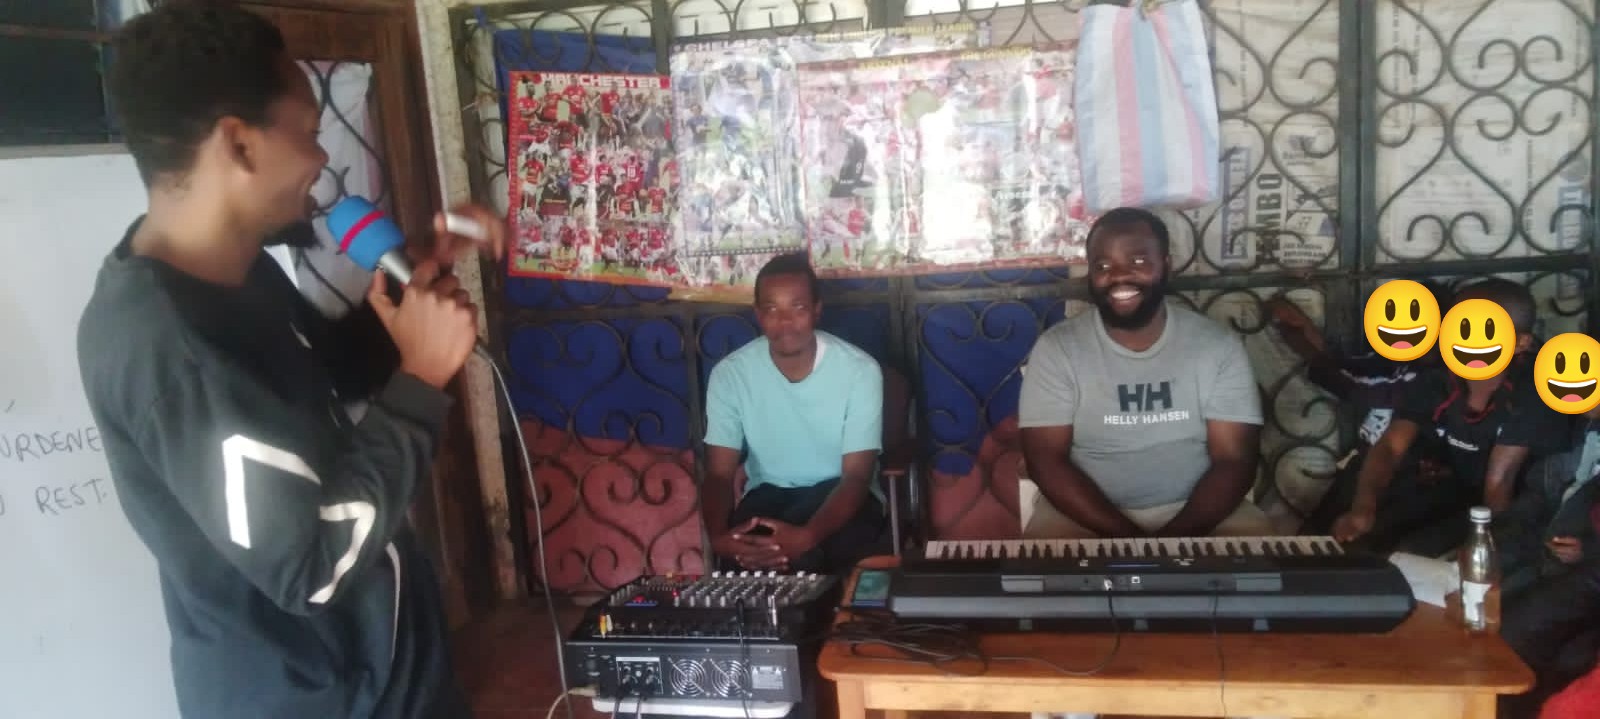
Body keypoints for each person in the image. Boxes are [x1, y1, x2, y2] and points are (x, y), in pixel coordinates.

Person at [77, 2, 504, 716]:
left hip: (388, 674)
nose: (321, 158)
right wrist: (421, 381)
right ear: (239, 144)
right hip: (319, 700)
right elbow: (310, 567)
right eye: (307, 132)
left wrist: (413, 285)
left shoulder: (239, 271)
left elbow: (331, 377)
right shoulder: (167, 347)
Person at [1018, 207, 1270, 539]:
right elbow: (1046, 462)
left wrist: (1172, 542)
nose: (1119, 276)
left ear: (1166, 265)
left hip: (1202, 512)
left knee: (1264, 566)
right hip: (1083, 514)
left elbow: (1235, 460)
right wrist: (1134, 544)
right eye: (1102, 266)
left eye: (1138, 261)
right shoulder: (1058, 350)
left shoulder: (1217, 346)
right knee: (1041, 569)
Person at [1332, 279, 1572, 556]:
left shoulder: (1531, 391)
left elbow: (1500, 484)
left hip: (1524, 511)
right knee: (1360, 536)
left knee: (1412, 552)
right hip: (1462, 493)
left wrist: (1485, 556)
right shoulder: (1438, 380)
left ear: (1520, 343)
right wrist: (1363, 509)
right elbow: (1390, 447)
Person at [702, 253, 887, 574]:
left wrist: (807, 537)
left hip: (840, 493)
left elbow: (857, 477)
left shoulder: (859, 370)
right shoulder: (730, 375)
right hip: (768, 495)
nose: (785, 322)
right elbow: (719, 474)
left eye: (797, 308)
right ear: (758, 314)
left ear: (817, 310)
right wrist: (719, 538)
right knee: (745, 556)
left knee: (814, 555)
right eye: (772, 309)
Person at [1263, 288, 1459, 541]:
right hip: (1368, 470)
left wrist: (1304, 342)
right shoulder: (1396, 362)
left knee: (1355, 544)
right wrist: (1303, 330)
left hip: (1409, 481)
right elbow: (1347, 368)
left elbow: (1356, 386)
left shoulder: (1435, 378)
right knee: (1315, 540)